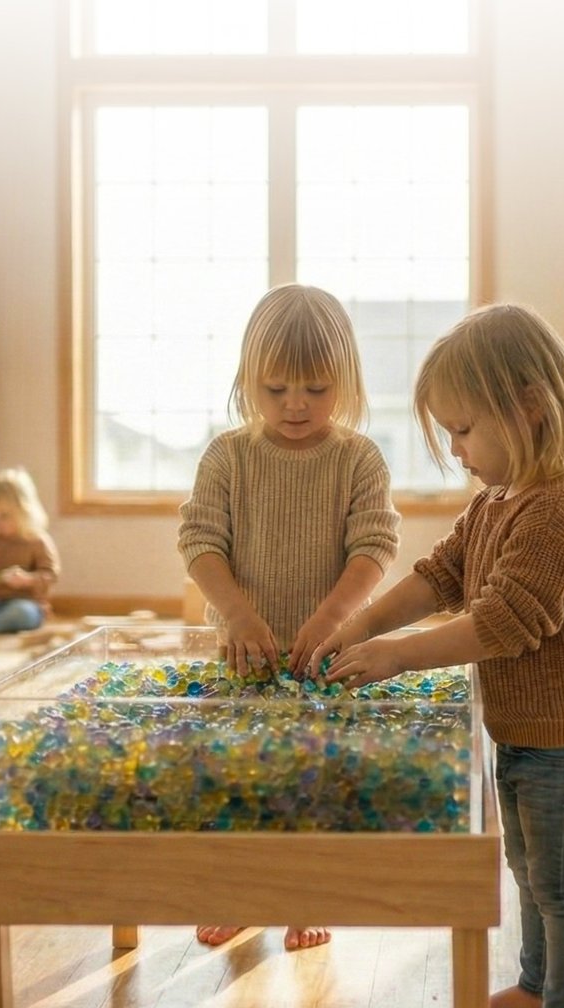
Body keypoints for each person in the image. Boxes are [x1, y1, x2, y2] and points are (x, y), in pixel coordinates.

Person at [313, 303, 564, 1008]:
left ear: (529, 408)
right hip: (523, 731)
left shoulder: (563, 509)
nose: (456, 451)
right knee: (526, 866)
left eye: (463, 429)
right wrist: (356, 627)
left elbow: (504, 623)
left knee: (561, 881)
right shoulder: (497, 502)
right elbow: (438, 577)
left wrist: (396, 657)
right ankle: (534, 982)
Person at [177, 283, 401, 951]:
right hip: (245, 659)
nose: (296, 404)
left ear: (348, 383)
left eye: (315, 388)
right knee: (239, 777)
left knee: (314, 779)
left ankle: (306, 899)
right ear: (248, 381)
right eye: (276, 389)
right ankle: (239, 895)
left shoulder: (358, 458)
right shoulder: (228, 456)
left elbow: (374, 547)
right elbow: (200, 543)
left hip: (326, 661)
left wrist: (333, 618)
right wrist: (240, 616)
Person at [0, 468, 59, 634]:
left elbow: (50, 575)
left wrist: (28, 579)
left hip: (26, 603)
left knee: (22, 614)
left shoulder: (37, 540)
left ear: (24, 510)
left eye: (4, 515)